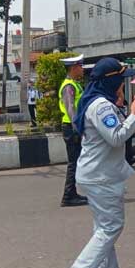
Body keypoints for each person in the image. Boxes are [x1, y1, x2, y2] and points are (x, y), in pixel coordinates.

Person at [59, 57, 135, 268]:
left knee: (102, 225)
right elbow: (117, 137)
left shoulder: (98, 102)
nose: (123, 86)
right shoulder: (102, 107)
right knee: (111, 226)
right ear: (113, 81)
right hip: (101, 176)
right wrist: (134, 115)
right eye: (121, 81)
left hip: (96, 173)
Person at [59, 54, 88, 207]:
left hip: (73, 127)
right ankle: (68, 196)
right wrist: (78, 130)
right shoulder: (69, 86)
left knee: (76, 162)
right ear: (73, 68)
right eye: (80, 66)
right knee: (73, 163)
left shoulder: (74, 84)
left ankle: (72, 193)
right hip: (71, 128)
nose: (82, 69)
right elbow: (71, 109)